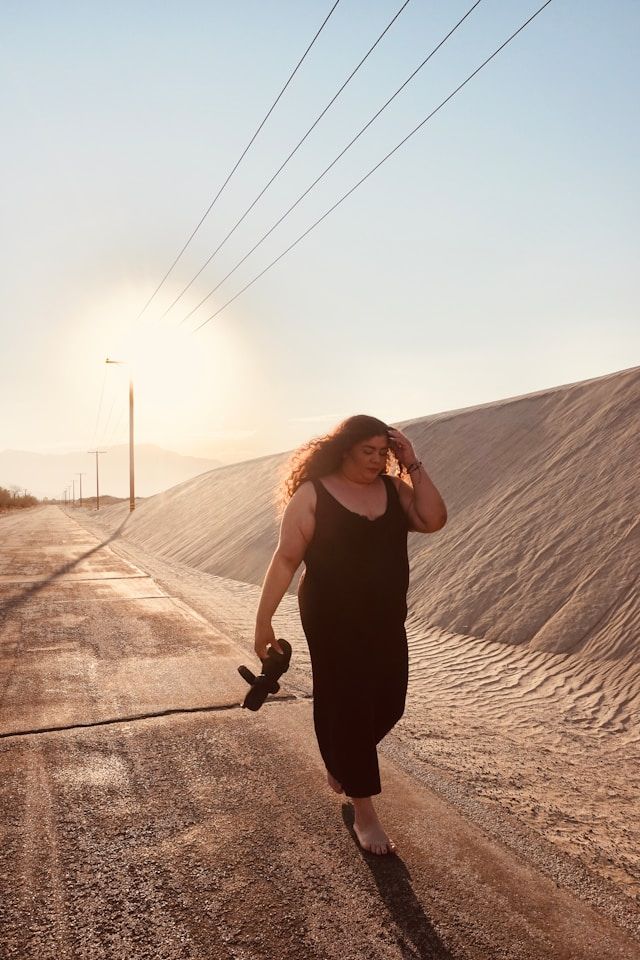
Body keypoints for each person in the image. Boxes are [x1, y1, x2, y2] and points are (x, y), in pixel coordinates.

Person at [254, 415, 447, 855]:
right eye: (369, 451)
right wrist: (264, 621)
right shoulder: (313, 495)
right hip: (330, 617)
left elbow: (434, 518)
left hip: (384, 617)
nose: (378, 461)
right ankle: (366, 814)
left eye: (385, 453)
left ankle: (343, 757)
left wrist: (411, 463)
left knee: (390, 703)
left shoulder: (395, 491)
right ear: (345, 449)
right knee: (351, 704)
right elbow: (285, 560)